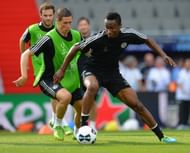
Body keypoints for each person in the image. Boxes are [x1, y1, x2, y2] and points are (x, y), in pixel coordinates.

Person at [54, 12, 177, 143]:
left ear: (120, 26)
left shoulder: (128, 34)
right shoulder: (98, 38)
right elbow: (75, 48)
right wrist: (62, 69)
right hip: (92, 70)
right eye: (107, 27)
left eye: (112, 28)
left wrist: (163, 55)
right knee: (92, 86)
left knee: (137, 105)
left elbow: (147, 39)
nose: (109, 31)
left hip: (112, 74)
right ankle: (84, 125)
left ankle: (162, 136)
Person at [13, 8, 82, 141]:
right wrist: (24, 75)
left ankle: (78, 133)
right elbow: (26, 54)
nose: (67, 26)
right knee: (65, 97)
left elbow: (87, 51)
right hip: (49, 79)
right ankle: (57, 124)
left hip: (70, 79)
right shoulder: (48, 38)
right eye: (64, 23)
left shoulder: (77, 35)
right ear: (58, 21)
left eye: (70, 23)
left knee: (82, 110)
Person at [77, 17, 97, 130]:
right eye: (81, 25)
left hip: (92, 74)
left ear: (89, 26)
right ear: (78, 27)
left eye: (85, 24)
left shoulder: (95, 39)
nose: (83, 27)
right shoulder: (75, 40)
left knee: (92, 100)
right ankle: (81, 126)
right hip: (78, 74)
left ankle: (93, 126)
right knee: (80, 101)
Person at [176, 58, 190, 130]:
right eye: (187, 63)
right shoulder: (181, 72)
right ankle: (180, 124)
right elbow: (179, 84)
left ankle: (185, 123)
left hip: (188, 96)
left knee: (187, 110)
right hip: (182, 95)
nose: (188, 65)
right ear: (185, 64)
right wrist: (184, 91)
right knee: (182, 110)